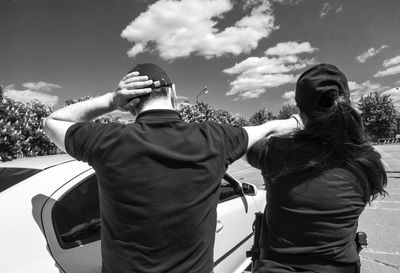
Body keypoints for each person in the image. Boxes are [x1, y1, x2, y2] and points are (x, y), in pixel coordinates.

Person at [43, 63, 300, 273]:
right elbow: (269, 127)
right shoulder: (214, 139)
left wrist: (112, 100)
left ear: (131, 103)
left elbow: (51, 122)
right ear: (173, 93)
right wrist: (298, 120)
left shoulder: (107, 141)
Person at [246, 63, 388, 273]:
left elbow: (239, 141)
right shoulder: (367, 161)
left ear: (301, 112)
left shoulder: (277, 152)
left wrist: (279, 125)